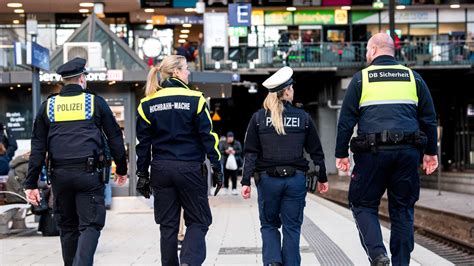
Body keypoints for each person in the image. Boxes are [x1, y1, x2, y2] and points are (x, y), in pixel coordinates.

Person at [335, 33, 438, 266]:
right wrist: (431, 152)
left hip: (372, 154)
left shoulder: (362, 79)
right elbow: (429, 119)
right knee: (402, 209)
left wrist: (341, 153)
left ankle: (378, 255)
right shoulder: (414, 78)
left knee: (362, 203)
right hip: (408, 154)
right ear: (393, 51)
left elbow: (346, 121)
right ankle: (401, 263)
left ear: (372, 50)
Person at [24, 57, 128, 266]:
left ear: (64, 80)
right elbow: (115, 137)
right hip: (89, 175)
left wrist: (31, 184)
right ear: (82, 78)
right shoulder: (94, 102)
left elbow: (38, 147)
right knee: (90, 225)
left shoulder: (48, 106)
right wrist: (122, 169)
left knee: (68, 228)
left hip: (60, 177)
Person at [135, 55, 223, 266]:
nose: (188, 73)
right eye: (185, 69)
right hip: (190, 169)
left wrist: (142, 175)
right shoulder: (196, 100)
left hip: (161, 170)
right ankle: (189, 262)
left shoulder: (147, 104)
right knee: (199, 220)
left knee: (168, 226)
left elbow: (143, 145)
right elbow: (208, 138)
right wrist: (217, 167)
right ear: (176, 72)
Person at [241, 66, 329, 266]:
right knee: (292, 227)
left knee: (269, 225)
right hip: (295, 180)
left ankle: (272, 262)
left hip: (268, 180)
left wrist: (246, 180)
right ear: (287, 91)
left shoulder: (258, 118)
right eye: (292, 87)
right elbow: (316, 151)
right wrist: (322, 177)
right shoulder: (303, 118)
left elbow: (251, 153)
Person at [219, 131, 242, 195]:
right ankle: (226, 188)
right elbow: (220, 151)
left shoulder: (237, 143)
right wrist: (226, 151)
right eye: (229, 137)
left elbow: (240, 151)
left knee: (234, 176)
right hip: (226, 162)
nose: (230, 139)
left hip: (235, 161)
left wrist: (234, 152)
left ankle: (234, 189)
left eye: (231, 137)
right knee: (226, 176)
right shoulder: (224, 143)